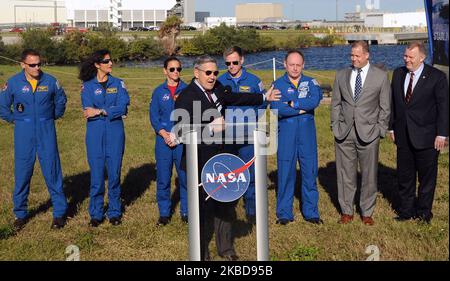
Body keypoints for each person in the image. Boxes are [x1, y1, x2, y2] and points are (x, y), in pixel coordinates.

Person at [174, 55, 280, 261]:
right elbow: (179, 128)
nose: (213, 77)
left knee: (225, 205)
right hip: (200, 161)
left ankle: (226, 249)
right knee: (202, 209)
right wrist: (207, 127)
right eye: (208, 73)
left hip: (222, 159)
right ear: (197, 73)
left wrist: (263, 97)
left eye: (215, 72)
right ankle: (201, 254)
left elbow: (236, 98)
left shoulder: (218, 88)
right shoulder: (187, 96)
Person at [0, 49, 68, 230]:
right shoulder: (13, 83)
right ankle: (20, 214)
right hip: (24, 132)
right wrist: (16, 120)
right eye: (32, 65)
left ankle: (60, 213)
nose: (37, 67)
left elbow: (61, 100)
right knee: (22, 173)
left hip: (46, 130)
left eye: (39, 64)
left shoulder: (51, 81)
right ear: (23, 64)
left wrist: (54, 115)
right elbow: (3, 106)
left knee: (53, 171)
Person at [331, 41, 391, 226]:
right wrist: (335, 126)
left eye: (357, 55)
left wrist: (380, 130)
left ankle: (366, 211)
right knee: (345, 174)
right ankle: (347, 211)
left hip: (369, 134)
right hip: (344, 133)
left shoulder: (380, 77)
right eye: (351, 55)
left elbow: (385, 107)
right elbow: (336, 103)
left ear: (367, 55)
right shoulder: (341, 75)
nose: (353, 59)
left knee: (369, 175)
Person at [389, 41, 449, 224]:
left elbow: (444, 107)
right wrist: (391, 126)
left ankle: (424, 213)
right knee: (405, 177)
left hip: (427, 136)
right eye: (405, 56)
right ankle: (406, 211)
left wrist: (442, 134)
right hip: (403, 135)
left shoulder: (436, 77)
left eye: (410, 57)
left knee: (426, 179)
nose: (406, 59)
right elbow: (394, 103)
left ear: (421, 58)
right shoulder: (398, 74)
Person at [270, 50, 323, 225]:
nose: (294, 68)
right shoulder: (277, 84)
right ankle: (284, 213)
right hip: (286, 134)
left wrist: (294, 104)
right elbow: (278, 107)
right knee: (285, 171)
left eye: (298, 65)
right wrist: (301, 109)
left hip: (307, 135)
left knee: (309, 171)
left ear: (303, 65)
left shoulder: (310, 82)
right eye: (291, 64)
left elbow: (314, 100)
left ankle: (311, 212)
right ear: (284, 64)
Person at [78, 49, 130, 227]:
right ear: (97, 65)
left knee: (114, 174)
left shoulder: (119, 83)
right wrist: (110, 110)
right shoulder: (87, 86)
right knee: (97, 175)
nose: (111, 64)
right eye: (107, 61)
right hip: (95, 134)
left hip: (115, 133)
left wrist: (101, 111)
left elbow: (123, 107)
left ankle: (114, 212)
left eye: (111, 60)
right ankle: (96, 213)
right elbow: (87, 110)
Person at [217, 46, 266, 223]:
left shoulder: (254, 81)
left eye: (235, 62)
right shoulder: (220, 81)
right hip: (227, 137)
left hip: (248, 137)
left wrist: (253, 124)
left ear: (242, 60)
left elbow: (262, 105)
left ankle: (251, 209)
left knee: (250, 174)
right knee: (229, 173)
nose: (231, 66)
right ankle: (228, 209)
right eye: (228, 63)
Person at [150, 56, 188, 226]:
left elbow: (191, 117)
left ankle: (186, 212)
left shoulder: (187, 90)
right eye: (172, 69)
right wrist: (164, 134)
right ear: (165, 71)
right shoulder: (158, 92)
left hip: (182, 141)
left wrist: (178, 136)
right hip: (163, 141)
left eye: (178, 69)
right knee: (164, 178)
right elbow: (154, 116)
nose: (175, 72)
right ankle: (164, 213)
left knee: (185, 177)